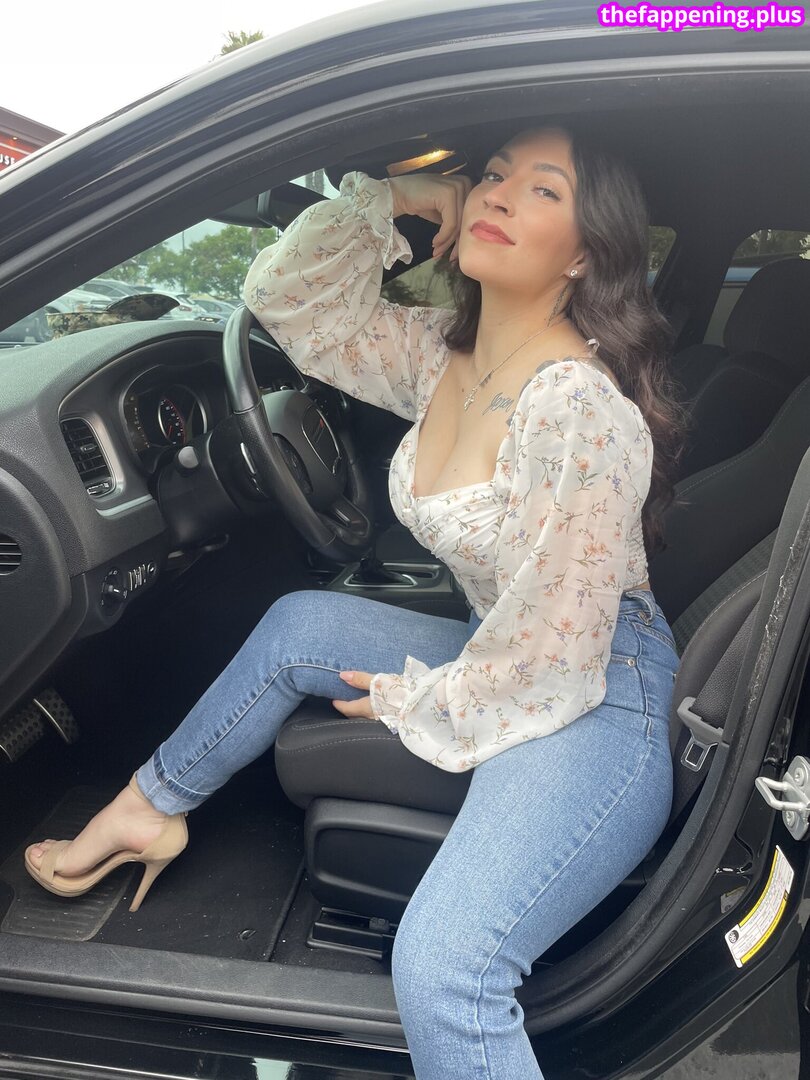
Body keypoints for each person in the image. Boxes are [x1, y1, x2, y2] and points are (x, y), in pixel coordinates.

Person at [24, 123, 688, 1079]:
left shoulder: (579, 407)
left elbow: (553, 658)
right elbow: (287, 300)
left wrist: (415, 699)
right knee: (299, 623)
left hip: (595, 692)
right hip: (511, 644)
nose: (498, 196)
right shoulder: (441, 358)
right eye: (493, 175)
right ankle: (146, 809)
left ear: (586, 254)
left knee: (447, 972)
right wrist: (396, 198)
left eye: (543, 190)